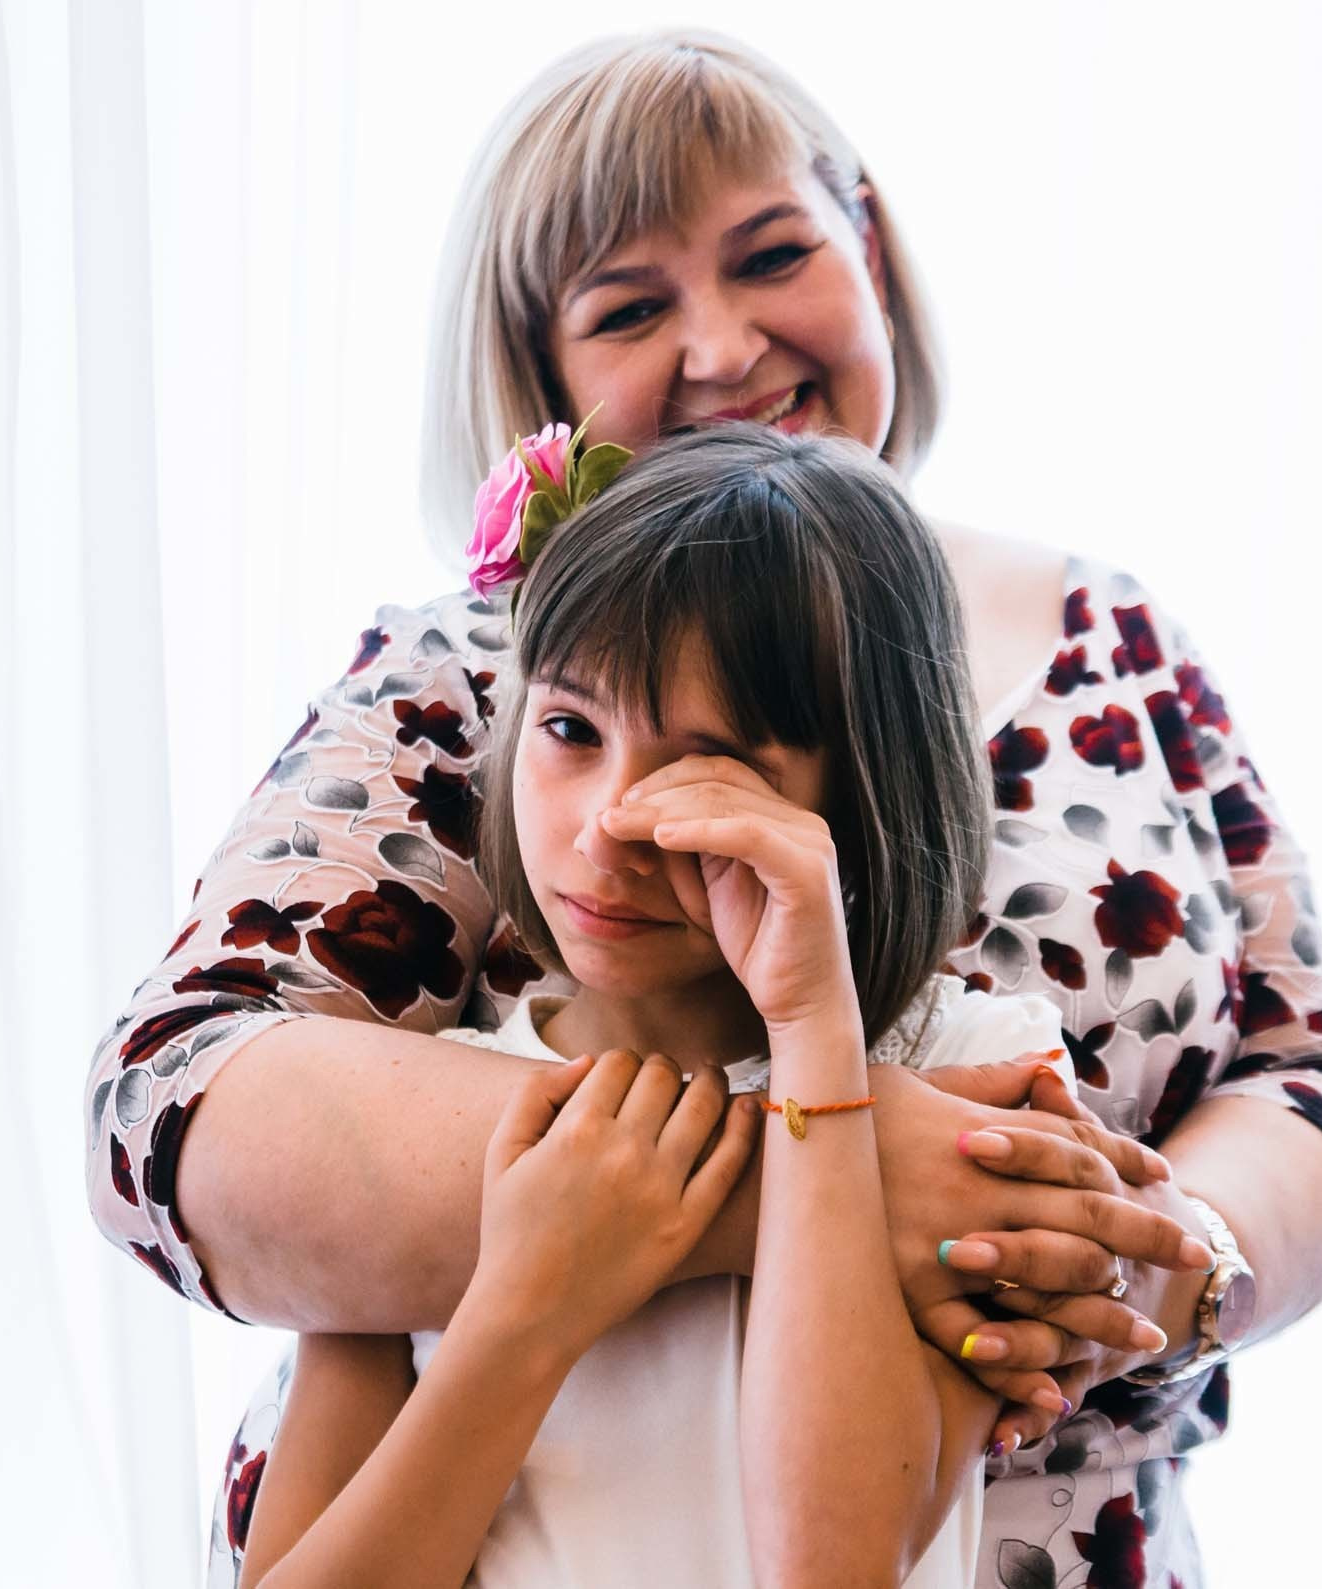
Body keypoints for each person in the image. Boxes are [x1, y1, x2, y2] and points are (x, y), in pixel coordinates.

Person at [84, 30, 1322, 1586]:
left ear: (871, 249)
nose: (720, 348)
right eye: (632, 308)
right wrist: (817, 1170)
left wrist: (1146, 1253)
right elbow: (182, 1100)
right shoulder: (472, 671)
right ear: (546, 381)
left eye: (773, 254)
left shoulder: (1113, 635)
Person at [235, 425, 1215, 1588]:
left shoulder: (975, 1077)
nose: (611, 824)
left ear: (857, 796)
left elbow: (834, 1562)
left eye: (708, 771)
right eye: (569, 731)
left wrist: (813, 1039)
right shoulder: (436, 1119)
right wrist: (527, 1309)